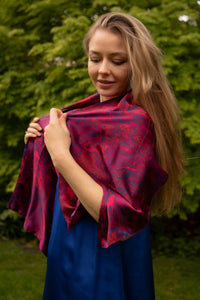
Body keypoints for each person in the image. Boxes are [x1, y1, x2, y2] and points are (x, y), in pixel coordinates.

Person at [8, 12, 184, 300]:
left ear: (138, 65)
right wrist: (39, 142)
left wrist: (60, 154)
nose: (103, 70)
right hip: (69, 243)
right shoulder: (86, 114)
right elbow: (69, 176)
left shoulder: (135, 122)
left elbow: (122, 214)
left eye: (117, 61)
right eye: (94, 58)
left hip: (103, 254)